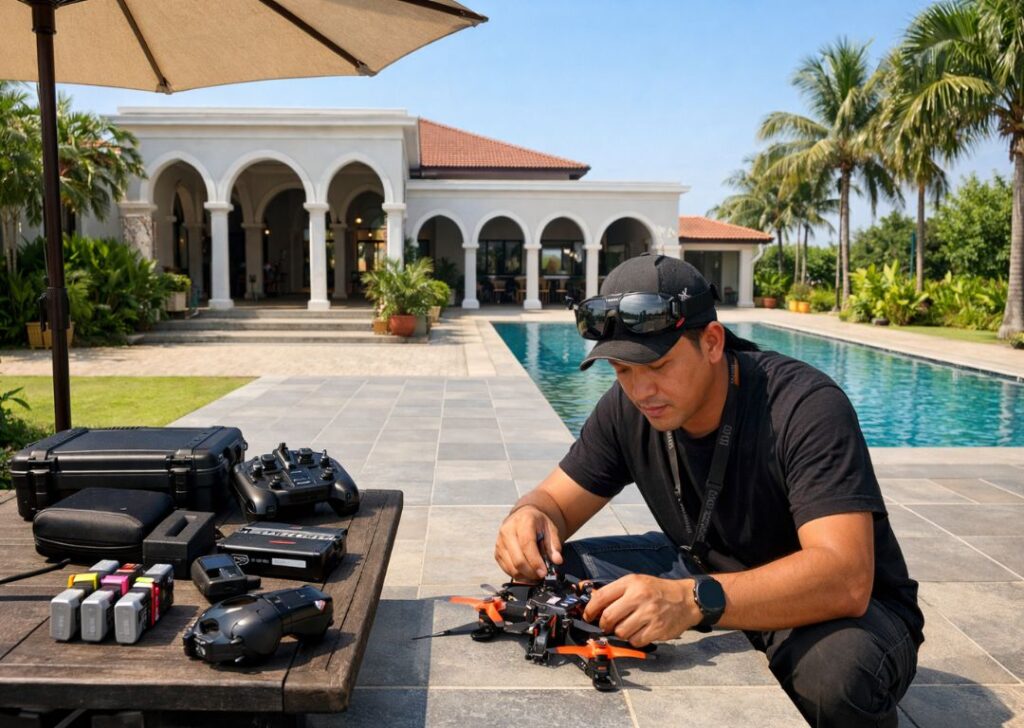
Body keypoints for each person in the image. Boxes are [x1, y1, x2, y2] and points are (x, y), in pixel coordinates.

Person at [494, 253, 922, 728]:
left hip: (831, 603)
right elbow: (553, 502)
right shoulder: (628, 408)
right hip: (703, 565)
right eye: (622, 369)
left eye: (658, 365)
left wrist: (690, 601)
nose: (642, 390)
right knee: (555, 576)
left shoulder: (804, 407)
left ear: (713, 342)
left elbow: (845, 578)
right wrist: (528, 517)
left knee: (838, 676)